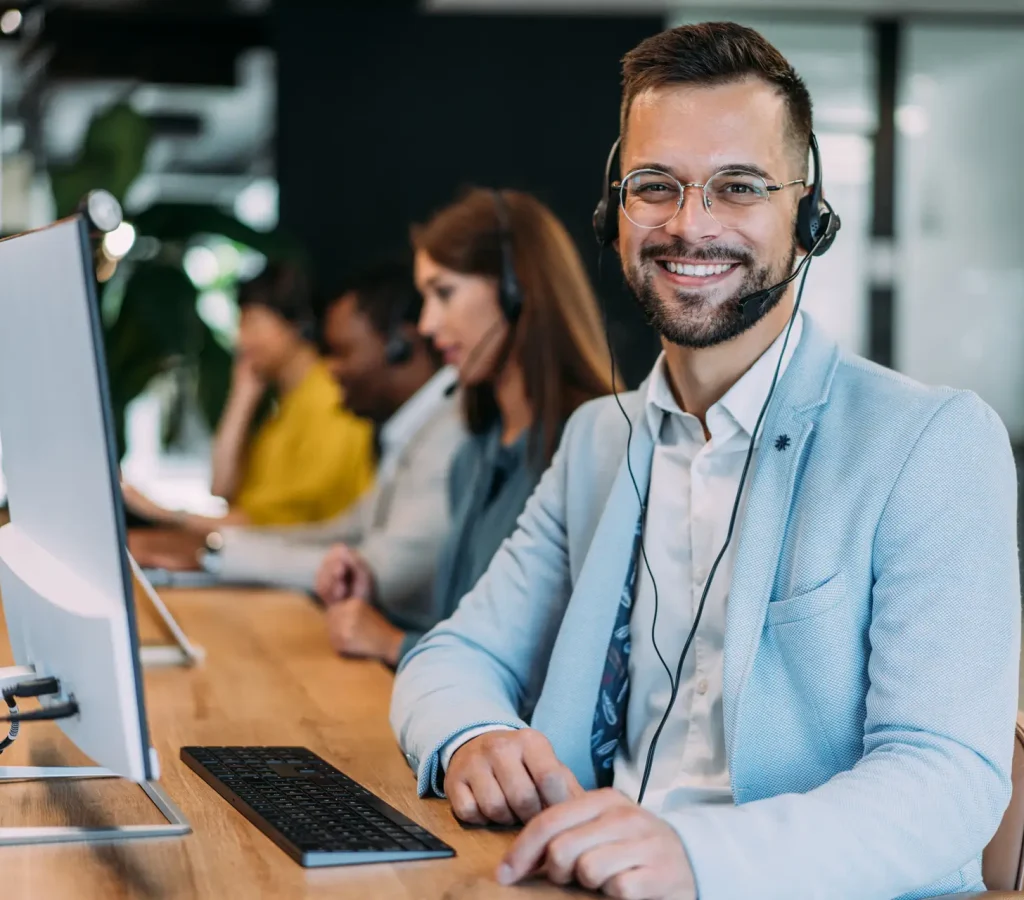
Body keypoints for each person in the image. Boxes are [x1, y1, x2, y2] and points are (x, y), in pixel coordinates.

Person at [390, 22, 1020, 900]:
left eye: (739, 187)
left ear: (808, 218)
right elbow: (453, 654)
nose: (691, 225)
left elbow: (949, 780)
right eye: (656, 186)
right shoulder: (599, 441)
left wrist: (697, 857)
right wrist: (472, 737)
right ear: (613, 214)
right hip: (587, 878)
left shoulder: (932, 443)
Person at [315, 188, 613, 667]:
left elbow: (548, 661)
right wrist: (372, 597)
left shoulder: (591, 446)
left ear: (517, 292)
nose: (428, 325)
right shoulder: (476, 452)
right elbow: (464, 629)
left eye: (444, 293)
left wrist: (393, 643)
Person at [206, 261, 464, 662]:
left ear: (401, 345)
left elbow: (376, 571)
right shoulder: (412, 430)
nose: (333, 370)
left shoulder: (452, 430)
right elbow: (346, 529)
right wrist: (221, 548)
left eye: (342, 353)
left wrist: (218, 551)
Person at [122, 261, 375, 533]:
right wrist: (241, 399)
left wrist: (168, 516)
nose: (242, 340)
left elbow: (283, 523)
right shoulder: (285, 405)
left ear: (295, 324)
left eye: (252, 322)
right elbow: (222, 489)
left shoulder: (330, 396)